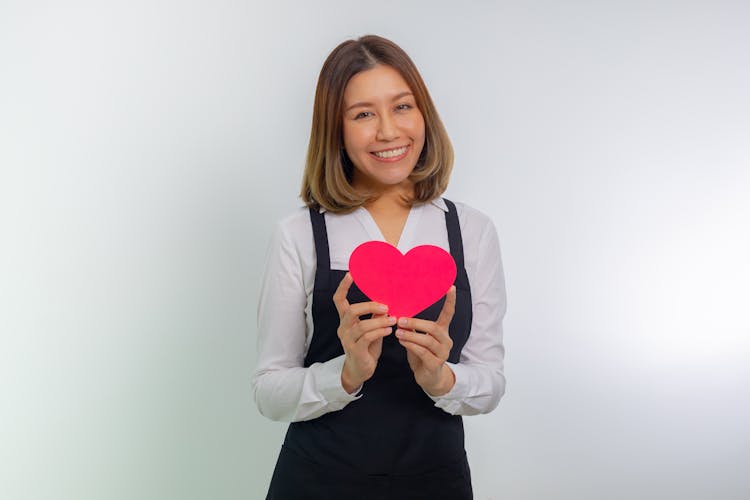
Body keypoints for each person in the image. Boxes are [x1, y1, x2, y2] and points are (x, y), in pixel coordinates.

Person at [252, 34, 507, 500]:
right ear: (337, 129)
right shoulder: (300, 234)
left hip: (436, 483)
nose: (388, 131)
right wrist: (345, 373)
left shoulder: (471, 231)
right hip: (317, 482)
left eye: (403, 107)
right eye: (364, 114)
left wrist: (441, 379)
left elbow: (490, 380)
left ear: (423, 114)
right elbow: (269, 390)